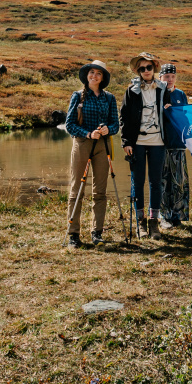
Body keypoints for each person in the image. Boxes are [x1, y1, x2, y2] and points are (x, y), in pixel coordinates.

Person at [64, 60, 119, 249]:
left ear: (103, 78)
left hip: (103, 145)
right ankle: (73, 234)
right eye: (92, 72)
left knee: (100, 191)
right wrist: (88, 133)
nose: (94, 76)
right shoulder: (77, 96)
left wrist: (107, 129)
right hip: (82, 143)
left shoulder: (110, 98)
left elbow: (115, 125)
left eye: (98, 73)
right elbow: (69, 125)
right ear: (87, 75)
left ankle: (97, 233)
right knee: (76, 190)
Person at [121, 52, 172, 240]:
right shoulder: (131, 91)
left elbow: (170, 114)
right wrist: (126, 142)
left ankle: (154, 223)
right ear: (138, 71)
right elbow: (124, 117)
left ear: (154, 68)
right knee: (138, 181)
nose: (146, 71)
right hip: (138, 143)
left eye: (148, 67)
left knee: (156, 182)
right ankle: (140, 222)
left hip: (158, 141)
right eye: (141, 68)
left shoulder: (163, 88)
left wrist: (169, 109)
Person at [158, 63, 190, 229]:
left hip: (178, 144)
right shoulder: (157, 94)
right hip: (161, 145)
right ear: (160, 78)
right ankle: (164, 216)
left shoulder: (180, 94)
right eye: (166, 76)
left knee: (178, 181)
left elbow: (186, 118)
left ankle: (177, 215)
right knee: (164, 182)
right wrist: (164, 111)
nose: (169, 79)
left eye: (172, 76)